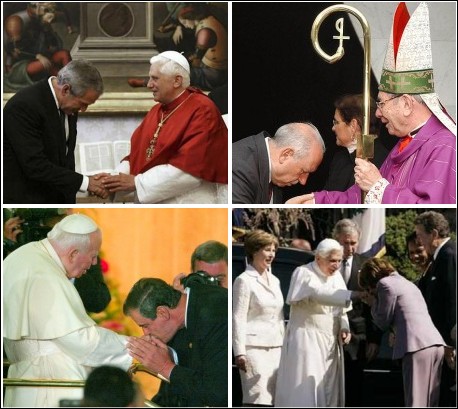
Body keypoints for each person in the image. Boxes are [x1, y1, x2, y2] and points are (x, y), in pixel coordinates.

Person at [287, 2, 456, 205]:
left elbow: (435, 211)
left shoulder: (445, 145)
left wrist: (378, 187)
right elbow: (359, 196)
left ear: (406, 103)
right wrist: (318, 200)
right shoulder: (404, 143)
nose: (377, 114)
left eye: (382, 103)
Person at [3, 214, 132, 407]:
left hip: (27, 379)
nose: (95, 263)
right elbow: (80, 339)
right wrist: (134, 348)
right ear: (72, 254)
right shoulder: (45, 274)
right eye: (93, 256)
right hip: (50, 380)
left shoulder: (26, 255)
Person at [102, 51, 228, 204]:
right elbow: (138, 155)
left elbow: (191, 170)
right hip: (154, 199)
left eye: (154, 78)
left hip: (188, 203)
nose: (149, 85)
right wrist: (113, 179)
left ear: (177, 81)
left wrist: (137, 183)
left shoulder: (202, 110)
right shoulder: (157, 111)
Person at [3, 59, 109, 204]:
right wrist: (85, 183)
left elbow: (64, 157)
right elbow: (35, 166)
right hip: (28, 205)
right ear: (65, 89)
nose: (83, 109)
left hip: (59, 201)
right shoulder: (24, 105)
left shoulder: (69, 104)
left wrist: (85, 184)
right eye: (83, 104)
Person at [275, 238, 360, 407]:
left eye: (339, 261)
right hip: (307, 341)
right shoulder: (304, 273)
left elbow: (341, 311)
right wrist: (352, 294)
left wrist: (344, 327)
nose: (336, 265)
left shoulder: (336, 277)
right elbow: (317, 293)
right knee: (305, 391)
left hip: (330, 344)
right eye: (332, 261)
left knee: (329, 393)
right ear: (318, 258)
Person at [123, 277, 228, 407]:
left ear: (162, 312)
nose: (145, 333)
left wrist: (165, 367)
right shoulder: (192, 302)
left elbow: (217, 394)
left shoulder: (217, 315)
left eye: (145, 325)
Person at [359, 257, 445, 407]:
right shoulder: (407, 283)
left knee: (415, 401)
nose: (370, 291)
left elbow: (382, 322)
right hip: (435, 344)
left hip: (416, 346)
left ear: (371, 279)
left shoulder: (384, 284)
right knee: (430, 402)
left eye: (368, 288)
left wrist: (372, 304)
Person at [2, 208, 111, 313]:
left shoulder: (82, 247)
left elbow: (99, 302)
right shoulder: (13, 248)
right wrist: (10, 249)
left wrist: (71, 267)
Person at [332, 219, 383, 407]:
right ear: (336, 239)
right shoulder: (321, 263)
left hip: (357, 337)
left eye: (353, 243)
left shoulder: (368, 265)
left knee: (353, 391)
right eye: (345, 243)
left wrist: (374, 339)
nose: (350, 248)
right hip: (327, 333)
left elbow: (375, 305)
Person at [232, 230, 285, 406]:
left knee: (275, 398)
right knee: (258, 398)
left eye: (273, 250)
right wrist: (239, 352)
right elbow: (238, 317)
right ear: (254, 251)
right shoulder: (244, 280)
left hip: (276, 347)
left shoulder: (275, 280)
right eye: (267, 250)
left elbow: (279, 316)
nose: (271, 254)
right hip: (253, 350)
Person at [414, 211, 456, 406]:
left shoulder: (449, 255)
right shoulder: (441, 257)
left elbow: (452, 302)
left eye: (421, 235)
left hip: (449, 347)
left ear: (434, 234)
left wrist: (449, 343)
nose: (420, 242)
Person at [232, 122, 325, 204]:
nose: (303, 181)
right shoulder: (239, 167)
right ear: (285, 155)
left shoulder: (275, 174)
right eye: (303, 171)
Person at [323, 94, 389, 191]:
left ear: (353, 125)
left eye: (336, 122)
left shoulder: (384, 162)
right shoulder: (339, 159)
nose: (333, 128)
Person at [3, 2, 72, 92]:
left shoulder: (40, 22)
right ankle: (65, 84)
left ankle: (70, 79)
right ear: (36, 8)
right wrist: (37, 56)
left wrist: (47, 28)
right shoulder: (16, 21)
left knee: (64, 54)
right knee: (45, 64)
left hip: (42, 58)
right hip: (20, 65)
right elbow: (14, 51)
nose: (51, 13)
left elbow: (55, 46)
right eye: (47, 10)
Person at [177, 4, 228, 91]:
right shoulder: (210, 20)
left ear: (191, 17)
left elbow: (197, 59)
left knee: (178, 75)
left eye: (185, 22)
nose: (185, 26)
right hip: (217, 70)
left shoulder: (204, 30)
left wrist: (185, 61)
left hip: (214, 75)